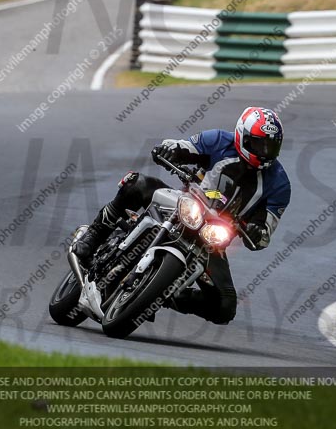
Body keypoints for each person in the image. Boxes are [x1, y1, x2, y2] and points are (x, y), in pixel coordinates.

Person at [73, 107, 291, 325]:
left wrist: (257, 231)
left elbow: (265, 232)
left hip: (211, 240)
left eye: (270, 146)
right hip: (185, 205)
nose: (263, 151)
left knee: (225, 306)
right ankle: (94, 235)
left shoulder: (279, 184)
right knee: (137, 184)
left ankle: (167, 296)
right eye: (258, 143)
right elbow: (184, 146)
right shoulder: (218, 140)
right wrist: (169, 150)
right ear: (241, 136)